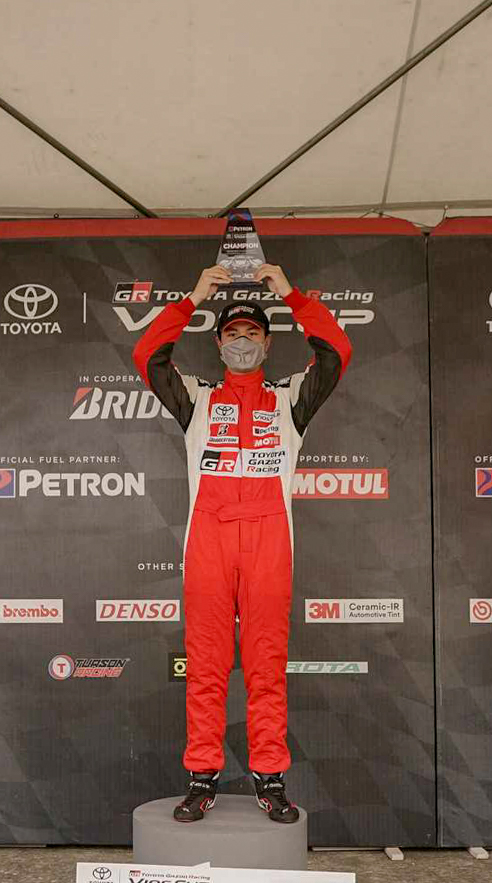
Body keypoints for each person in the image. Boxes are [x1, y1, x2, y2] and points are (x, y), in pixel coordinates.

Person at [132, 263, 353, 824]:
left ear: (268, 342)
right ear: (218, 343)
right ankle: (201, 777)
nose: (242, 341)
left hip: (268, 539)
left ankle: (270, 778)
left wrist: (289, 295)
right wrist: (193, 297)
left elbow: (335, 353)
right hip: (208, 538)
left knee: (265, 666)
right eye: (232, 333)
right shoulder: (196, 398)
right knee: (206, 666)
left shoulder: (290, 398)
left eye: (252, 332)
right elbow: (148, 356)